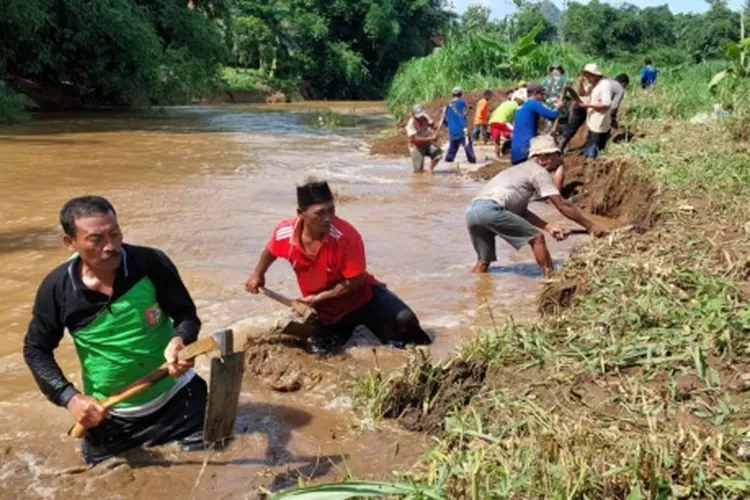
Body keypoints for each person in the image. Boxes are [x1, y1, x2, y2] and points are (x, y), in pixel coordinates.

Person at [23, 196, 205, 464]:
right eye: (96, 239)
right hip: (112, 415)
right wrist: (71, 399)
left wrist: (181, 340)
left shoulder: (150, 263)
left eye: (115, 233)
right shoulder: (58, 289)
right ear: (70, 242)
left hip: (180, 399)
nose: (111, 246)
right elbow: (36, 350)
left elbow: (186, 315)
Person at [245, 180, 432, 356]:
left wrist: (317, 298)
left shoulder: (346, 237)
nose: (328, 218)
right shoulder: (284, 233)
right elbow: (271, 250)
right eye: (320, 213)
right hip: (325, 311)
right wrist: (257, 275)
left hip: (362, 298)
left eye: (331, 210)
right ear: (301, 213)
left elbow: (356, 281)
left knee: (406, 325)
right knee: (322, 355)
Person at [464, 135, 607, 277]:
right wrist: (591, 227)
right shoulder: (538, 171)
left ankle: (476, 288)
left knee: (483, 263)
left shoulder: (516, 171)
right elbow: (562, 205)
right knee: (536, 238)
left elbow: (521, 211)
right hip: (491, 209)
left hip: (472, 212)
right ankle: (550, 278)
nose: (559, 162)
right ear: (543, 158)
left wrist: (548, 227)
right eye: (557, 157)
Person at [510, 83, 561, 166]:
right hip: (526, 148)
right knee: (555, 164)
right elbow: (552, 116)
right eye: (542, 94)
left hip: (515, 150)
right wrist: (559, 108)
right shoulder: (533, 103)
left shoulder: (521, 107)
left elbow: (527, 128)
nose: (543, 97)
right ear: (535, 93)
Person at [579, 63, 613, 159]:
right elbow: (582, 93)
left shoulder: (604, 85)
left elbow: (606, 104)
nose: (587, 79)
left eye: (588, 76)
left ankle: (592, 161)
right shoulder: (592, 85)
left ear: (595, 76)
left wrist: (588, 105)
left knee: (595, 143)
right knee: (591, 141)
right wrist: (581, 83)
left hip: (599, 120)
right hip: (592, 120)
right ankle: (589, 157)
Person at [441, 87, 476, 164]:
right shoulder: (462, 103)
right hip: (462, 130)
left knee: (451, 150)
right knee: (468, 149)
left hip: (452, 131)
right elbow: (465, 112)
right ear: (461, 94)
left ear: (452, 95)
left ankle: (447, 165)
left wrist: (448, 125)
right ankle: (472, 163)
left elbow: (443, 119)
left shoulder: (447, 106)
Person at [489, 89, 526, 158]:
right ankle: (517, 152)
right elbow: (520, 118)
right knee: (517, 134)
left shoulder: (505, 103)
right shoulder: (516, 106)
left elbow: (495, 113)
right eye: (522, 102)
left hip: (492, 122)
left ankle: (498, 157)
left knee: (497, 142)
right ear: (519, 101)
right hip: (502, 121)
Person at [405, 104, 442, 174]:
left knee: (438, 153)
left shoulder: (425, 117)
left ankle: (430, 170)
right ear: (413, 114)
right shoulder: (411, 124)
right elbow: (416, 140)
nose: (420, 118)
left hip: (426, 144)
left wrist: (437, 127)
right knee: (418, 171)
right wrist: (431, 138)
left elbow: (433, 125)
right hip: (416, 147)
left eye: (421, 115)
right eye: (418, 116)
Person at [541, 62, 570, 133]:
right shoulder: (565, 81)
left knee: (548, 134)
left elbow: (541, 97)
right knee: (562, 134)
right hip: (561, 113)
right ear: (561, 70)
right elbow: (569, 96)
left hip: (547, 112)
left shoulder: (544, 82)